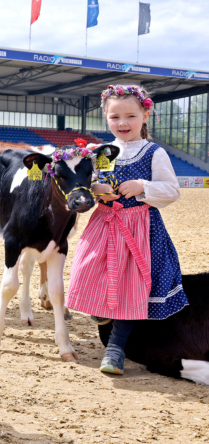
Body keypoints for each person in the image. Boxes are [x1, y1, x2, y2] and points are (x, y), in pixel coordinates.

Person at [66, 84, 188, 375]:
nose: (122, 123)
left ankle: (116, 350)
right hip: (104, 223)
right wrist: (97, 189)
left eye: (130, 116)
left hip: (140, 228)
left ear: (146, 115)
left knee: (131, 287)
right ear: (105, 117)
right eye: (114, 117)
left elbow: (171, 190)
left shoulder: (153, 152)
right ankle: (100, 311)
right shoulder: (102, 152)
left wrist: (142, 186)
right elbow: (89, 183)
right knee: (87, 267)